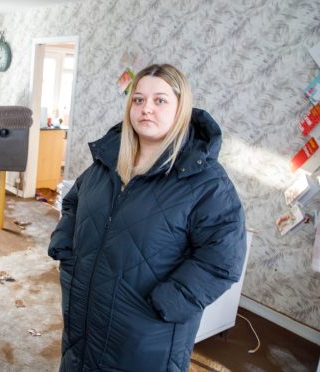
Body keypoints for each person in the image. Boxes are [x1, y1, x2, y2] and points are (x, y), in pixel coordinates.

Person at [48, 64, 246, 371]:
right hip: (84, 315)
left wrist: (170, 302)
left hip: (146, 330)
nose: (146, 109)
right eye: (138, 100)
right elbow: (74, 202)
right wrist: (66, 250)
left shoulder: (206, 180)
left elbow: (223, 258)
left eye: (160, 100)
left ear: (181, 108)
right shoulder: (107, 160)